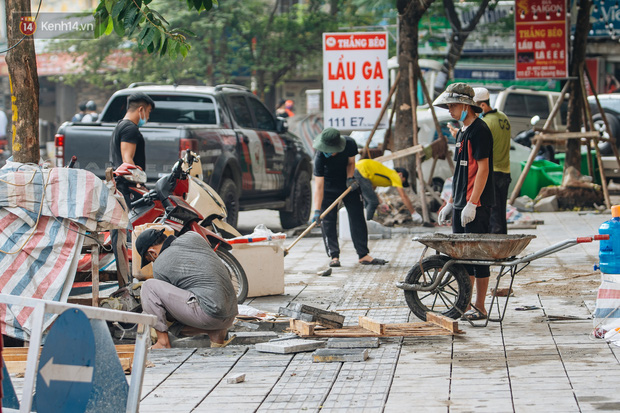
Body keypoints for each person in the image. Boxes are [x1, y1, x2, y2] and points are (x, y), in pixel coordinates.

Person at [434, 83, 494, 321]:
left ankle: (480, 306)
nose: (450, 110)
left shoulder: (480, 130)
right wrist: (451, 202)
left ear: (467, 107)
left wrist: (472, 202)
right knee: (463, 259)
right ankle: (466, 305)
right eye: (448, 106)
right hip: (460, 203)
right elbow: (460, 173)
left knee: (477, 258)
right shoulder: (461, 133)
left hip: (475, 205)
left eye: (453, 105)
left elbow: (483, 169)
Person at [136, 229, 238, 349]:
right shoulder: (194, 236)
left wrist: (151, 316)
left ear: (152, 252)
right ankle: (215, 334)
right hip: (231, 313)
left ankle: (163, 342)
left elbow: (165, 305)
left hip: (209, 314)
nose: (153, 261)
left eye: (150, 259)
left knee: (149, 287)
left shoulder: (160, 264)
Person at [312, 128, 388, 267]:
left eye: (330, 149)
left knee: (357, 215)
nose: (328, 152)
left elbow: (351, 163)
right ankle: (334, 256)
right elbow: (318, 186)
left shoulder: (349, 143)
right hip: (328, 186)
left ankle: (363, 255)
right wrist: (317, 211)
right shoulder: (320, 157)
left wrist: (349, 178)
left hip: (349, 184)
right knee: (328, 220)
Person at [474, 87, 511, 235]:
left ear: (482, 105)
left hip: (492, 173)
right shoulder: (503, 117)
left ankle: (496, 248)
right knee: (501, 213)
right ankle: (505, 244)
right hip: (505, 172)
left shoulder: (486, 123)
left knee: (493, 214)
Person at [354, 158, 423, 224]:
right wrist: (413, 213)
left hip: (358, 169)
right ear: (400, 175)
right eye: (402, 181)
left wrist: (379, 201)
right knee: (373, 202)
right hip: (362, 171)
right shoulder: (395, 175)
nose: (400, 184)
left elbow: (371, 189)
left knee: (368, 201)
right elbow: (403, 196)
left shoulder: (385, 173)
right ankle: (365, 225)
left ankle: (362, 222)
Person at [109, 92, 155, 173]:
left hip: (120, 181)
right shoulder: (130, 128)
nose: (148, 116)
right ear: (141, 109)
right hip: (126, 183)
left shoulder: (121, 125)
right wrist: (137, 182)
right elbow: (127, 160)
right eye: (148, 111)